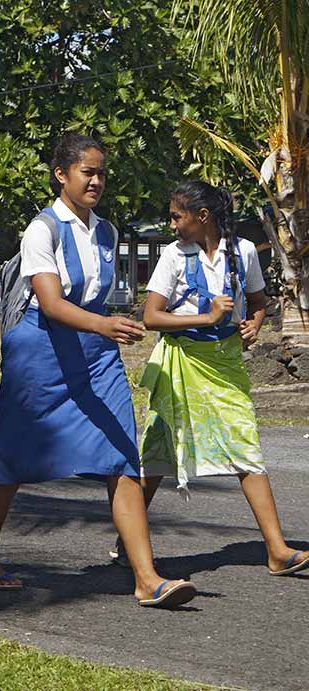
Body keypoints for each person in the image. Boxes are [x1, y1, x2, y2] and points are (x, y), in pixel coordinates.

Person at [0, 133, 197, 608]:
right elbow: (50, 303)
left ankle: (146, 577)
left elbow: (109, 295)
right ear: (61, 175)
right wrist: (104, 324)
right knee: (11, 458)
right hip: (40, 353)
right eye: (87, 172)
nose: (96, 180)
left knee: (121, 456)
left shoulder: (108, 231)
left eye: (101, 173)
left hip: (96, 355)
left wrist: (121, 322)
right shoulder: (42, 230)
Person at [120, 180, 307, 576]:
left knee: (245, 445)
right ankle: (129, 538)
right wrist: (204, 317)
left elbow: (258, 303)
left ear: (201, 216)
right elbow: (151, 316)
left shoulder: (242, 254)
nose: (171, 225)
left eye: (176, 216)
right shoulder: (172, 256)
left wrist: (255, 325)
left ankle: (276, 549)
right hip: (182, 363)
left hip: (225, 366)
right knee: (158, 452)